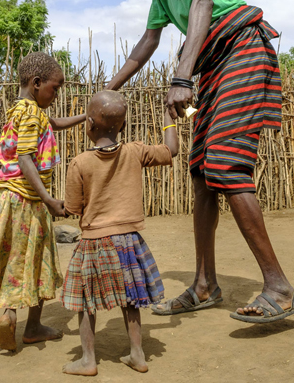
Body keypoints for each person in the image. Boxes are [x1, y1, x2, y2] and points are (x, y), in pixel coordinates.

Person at [108, 0, 294, 323]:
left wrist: (181, 76)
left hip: (241, 49)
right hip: (213, 66)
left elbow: (202, 1)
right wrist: (109, 88)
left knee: (226, 165)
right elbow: (148, 41)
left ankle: (279, 287)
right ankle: (203, 284)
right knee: (201, 174)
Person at [0, 52, 86, 351]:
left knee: (12, 259)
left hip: (7, 200)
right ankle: (33, 326)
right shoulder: (30, 114)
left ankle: (9, 315)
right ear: (37, 83)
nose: (58, 93)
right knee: (37, 262)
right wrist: (48, 199)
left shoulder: (23, 110)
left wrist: (88, 115)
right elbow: (25, 159)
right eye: (56, 87)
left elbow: (58, 123)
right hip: (27, 201)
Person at [61, 90, 178, 376]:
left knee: (87, 302)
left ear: (88, 124)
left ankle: (88, 360)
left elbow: (73, 208)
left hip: (93, 243)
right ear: (123, 126)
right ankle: (137, 354)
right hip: (128, 240)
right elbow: (170, 150)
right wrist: (169, 117)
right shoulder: (135, 152)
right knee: (131, 297)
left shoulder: (79, 163)